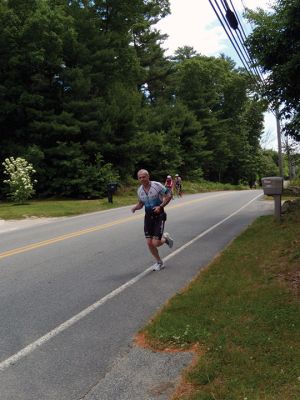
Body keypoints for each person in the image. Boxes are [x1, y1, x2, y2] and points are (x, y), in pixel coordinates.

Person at [131, 169, 174, 271]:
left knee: (156, 243)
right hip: (148, 218)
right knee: (149, 243)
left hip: (159, 216)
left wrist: (160, 206)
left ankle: (165, 239)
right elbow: (141, 203)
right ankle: (159, 262)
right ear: (138, 179)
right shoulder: (139, 190)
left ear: (148, 176)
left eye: (144, 177)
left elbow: (169, 195)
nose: (142, 179)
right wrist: (135, 208)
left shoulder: (157, 185)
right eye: (140, 177)